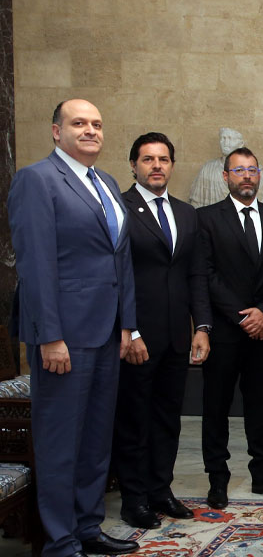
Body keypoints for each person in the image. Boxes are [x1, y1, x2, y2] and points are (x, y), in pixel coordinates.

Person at [8, 99, 140, 557]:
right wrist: (49, 336)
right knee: (61, 442)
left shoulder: (106, 183)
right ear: (56, 131)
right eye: (78, 123)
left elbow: (120, 260)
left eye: (97, 124)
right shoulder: (37, 179)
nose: (90, 131)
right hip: (63, 337)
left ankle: (88, 528)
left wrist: (128, 326)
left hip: (106, 332)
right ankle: (60, 541)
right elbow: (35, 265)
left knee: (95, 440)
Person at [114, 132, 212, 530]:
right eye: (148, 159)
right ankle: (133, 499)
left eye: (164, 159)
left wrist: (201, 326)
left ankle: (161, 490)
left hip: (176, 337)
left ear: (172, 165)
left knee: (168, 418)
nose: (157, 166)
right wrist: (130, 329)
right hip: (137, 337)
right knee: (134, 419)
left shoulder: (187, 213)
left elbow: (196, 274)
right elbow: (117, 275)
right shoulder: (120, 208)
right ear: (133, 165)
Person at [194, 147, 263, 509]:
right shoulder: (206, 219)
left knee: (260, 406)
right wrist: (242, 316)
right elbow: (206, 274)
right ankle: (217, 479)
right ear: (226, 177)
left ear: (259, 175)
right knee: (216, 406)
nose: (247, 176)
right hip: (224, 331)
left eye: (252, 169)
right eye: (239, 170)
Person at [188, 127, 263, 207]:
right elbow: (196, 203)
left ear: (241, 143)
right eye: (223, 138)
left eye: (230, 139)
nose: (226, 143)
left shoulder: (257, 172)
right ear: (225, 175)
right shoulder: (208, 169)